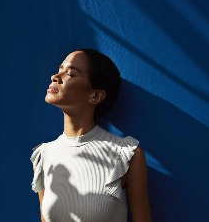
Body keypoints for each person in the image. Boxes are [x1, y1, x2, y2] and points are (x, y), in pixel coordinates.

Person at [30, 49, 152, 222]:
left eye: (70, 73)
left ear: (95, 96)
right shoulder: (43, 155)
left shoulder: (127, 155)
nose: (55, 76)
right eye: (60, 69)